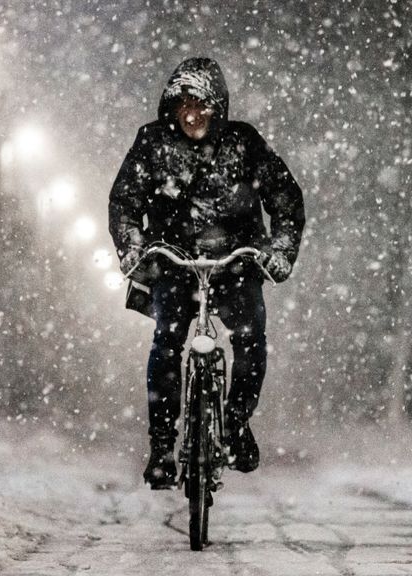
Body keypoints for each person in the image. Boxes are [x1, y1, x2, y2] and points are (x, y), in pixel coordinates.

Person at [108, 57, 306, 489]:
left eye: (200, 104)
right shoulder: (153, 143)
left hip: (235, 265)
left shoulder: (244, 144)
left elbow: (286, 200)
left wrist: (278, 250)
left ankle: (235, 426)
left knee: (251, 338)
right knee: (166, 343)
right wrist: (133, 248)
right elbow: (125, 202)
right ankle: (162, 446)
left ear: (218, 107)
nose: (192, 114)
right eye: (182, 105)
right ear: (171, 108)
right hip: (174, 266)